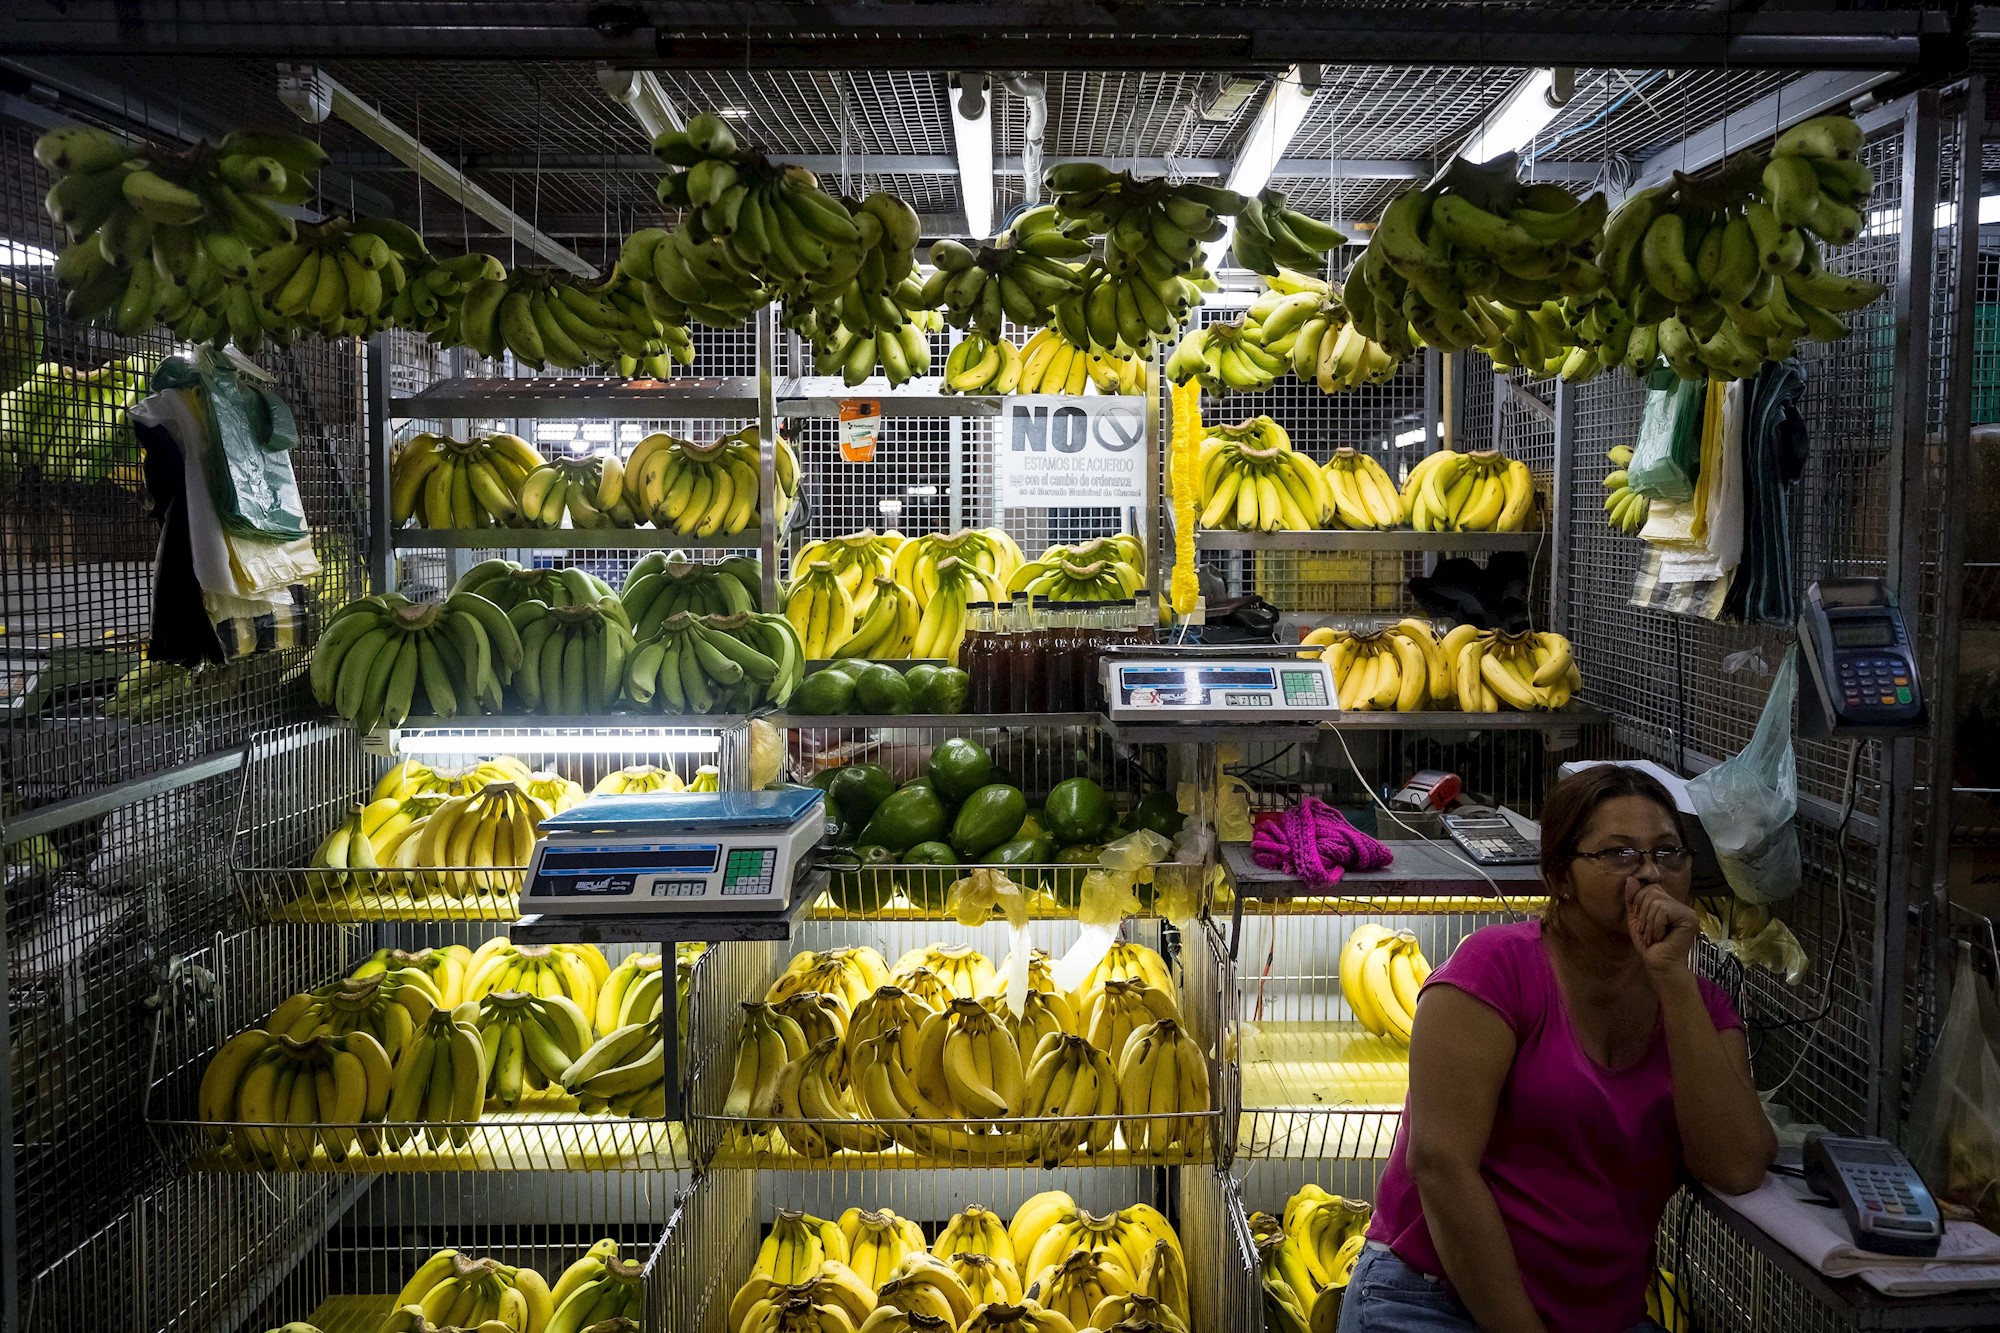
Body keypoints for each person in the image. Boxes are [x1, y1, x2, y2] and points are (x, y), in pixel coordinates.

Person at [1338, 765, 1776, 1333]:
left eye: (1668, 853)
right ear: (1561, 876)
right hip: (1434, 1300)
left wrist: (1673, 980)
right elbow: (1441, 1168)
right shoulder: (1495, 970)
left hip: (1602, 1315)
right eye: (1619, 854)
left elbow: (1737, 1165)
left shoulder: (1703, 1009)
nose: (1649, 874)